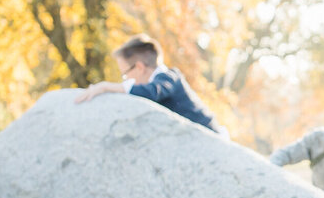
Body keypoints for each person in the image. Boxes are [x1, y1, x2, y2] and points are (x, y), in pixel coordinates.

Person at [75, 36, 227, 134]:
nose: (125, 79)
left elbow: (153, 92)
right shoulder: (163, 79)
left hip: (211, 135)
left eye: (125, 74)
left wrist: (106, 86)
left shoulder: (169, 78)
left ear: (139, 67)